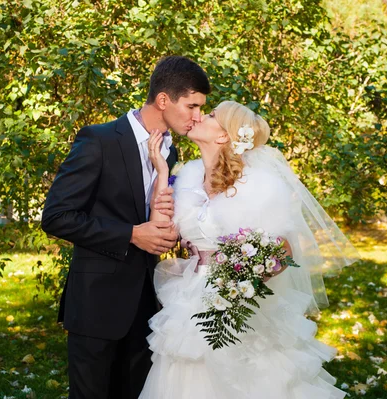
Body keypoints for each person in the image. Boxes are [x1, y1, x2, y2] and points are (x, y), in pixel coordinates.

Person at [140, 100, 360, 398]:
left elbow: (282, 252)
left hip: (239, 301)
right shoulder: (187, 176)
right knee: (186, 370)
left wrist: (241, 282)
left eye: (211, 115)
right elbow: (162, 235)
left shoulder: (261, 186)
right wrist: (162, 172)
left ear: (223, 136)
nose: (200, 116)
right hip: (190, 295)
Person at [41, 55, 211, 399]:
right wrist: (132, 234)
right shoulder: (98, 140)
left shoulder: (171, 152)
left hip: (148, 305)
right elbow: (56, 215)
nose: (197, 117)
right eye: (192, 106)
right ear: (163, 100)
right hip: (96, 304)